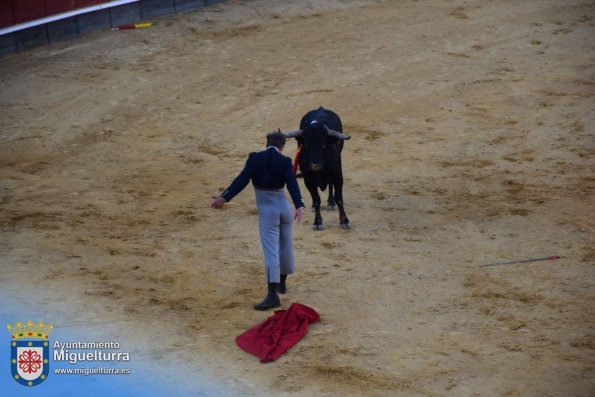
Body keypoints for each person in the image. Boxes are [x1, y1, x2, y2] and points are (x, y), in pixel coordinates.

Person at [211, 130, 305, 310]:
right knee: (285, 245)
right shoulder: (285, 161)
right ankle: (282, 283)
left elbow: (241, 181)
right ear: (282, 146)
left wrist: (224, 198)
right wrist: (299, 205)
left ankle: (272, 295)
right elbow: (292, 183)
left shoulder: (254, 159)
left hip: (268, 211)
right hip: (284, 208)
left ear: (266, 143)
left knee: (271, 251)